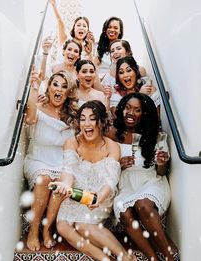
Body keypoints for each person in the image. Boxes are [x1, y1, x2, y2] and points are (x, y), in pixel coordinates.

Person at [49, 100, 136, 261]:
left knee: (82, 225)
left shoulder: (112, 146)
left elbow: (110, 180)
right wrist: (65, 185)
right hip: (78, 194)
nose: (86, 123)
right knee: (62, 227)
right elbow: (68, 171)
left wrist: (99, 198)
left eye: (92, 118)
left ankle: (125, 257)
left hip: (100, 194)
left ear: (101, 122)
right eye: (82, 119)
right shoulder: (72, 142)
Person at [107, 93, 179, 261]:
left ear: (144, 114)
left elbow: (161, 173)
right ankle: (152, 258)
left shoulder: (156, 137)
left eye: (137, 110)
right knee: (124, 212)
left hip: (151, 181)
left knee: (143, 205)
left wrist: (162, 162)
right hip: (126, 184)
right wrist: (119, 164)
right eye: (127, 108)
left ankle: (169, 257)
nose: (130, 113)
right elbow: (104, 165)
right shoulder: (113, 135)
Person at [23, 69, 78, 251]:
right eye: (55, 84)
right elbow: (29, 120)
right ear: (48, 88)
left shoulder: (71, 118)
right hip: (37, 158)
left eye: (64, 87)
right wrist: (34, 87)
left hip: (60, 161)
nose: (59, 90)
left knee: (59, 186)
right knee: (44, 179)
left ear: (68, 92)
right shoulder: (38, 108)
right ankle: (33, 230)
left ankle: (46, 229)